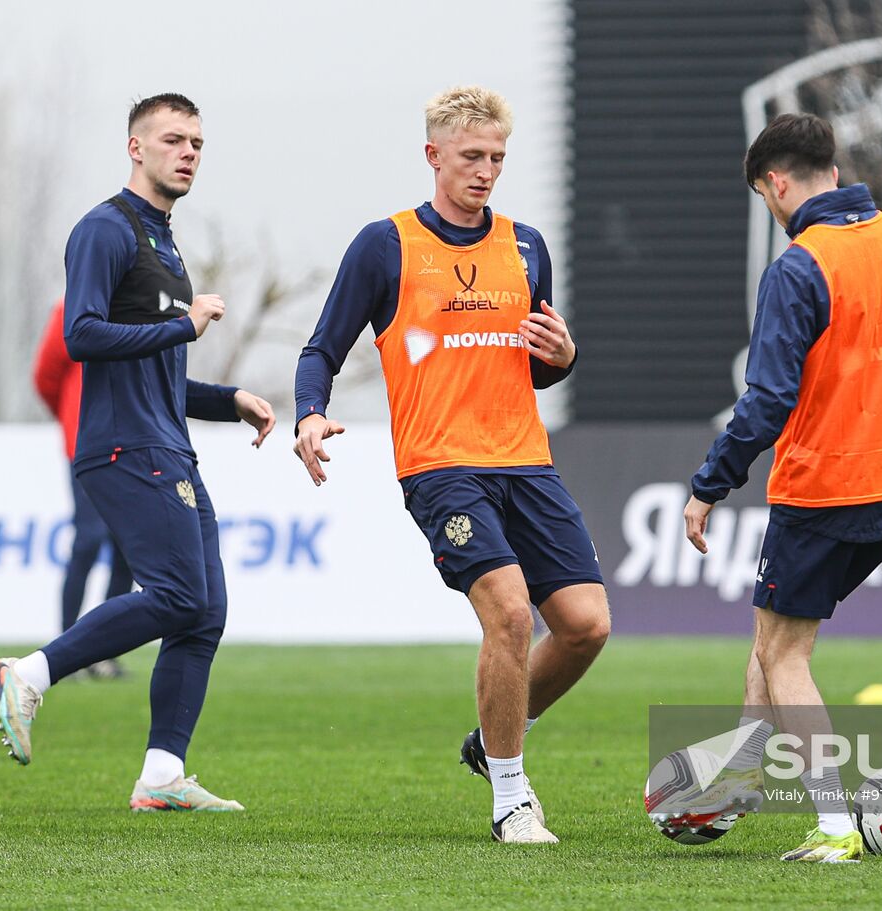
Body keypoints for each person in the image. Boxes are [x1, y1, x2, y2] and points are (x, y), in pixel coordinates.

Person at [293, 86, 609, 844]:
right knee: (507, 611)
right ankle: (511, 795)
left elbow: (537, 366)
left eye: (497, 157)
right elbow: (321, 347)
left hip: (527, 462)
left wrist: (564, 358)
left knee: (586, 626)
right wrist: (308, 413)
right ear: (434, 155)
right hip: (441, 465)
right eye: (472, 156)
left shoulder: (528, 245)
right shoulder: (387, 244)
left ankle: (490, 735)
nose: (486, 171)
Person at [681, 112, 882, 863]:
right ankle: (739, 781)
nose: (772, 209)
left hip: (822, 489)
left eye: (766, 196)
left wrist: (709, 485)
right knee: (771, 635)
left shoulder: (800, 265)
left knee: (785, 652)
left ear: (778, 183)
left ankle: (831, 823)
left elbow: (765, 402)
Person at [0, 94, 276, 810]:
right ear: (135, 148)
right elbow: (81, 335)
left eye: (198, 143)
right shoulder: (105, 230)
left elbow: (161, 376)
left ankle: (161, 775)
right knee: (177, 595)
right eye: (173, 139)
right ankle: (28, 673)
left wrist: (225, 399)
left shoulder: (166, 244)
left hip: (167, 444)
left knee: (203, 612)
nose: (189, 152)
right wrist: (186, 327)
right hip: (121, 447)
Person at [33, 297, 134, 678]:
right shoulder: (69, 308)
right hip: (87, 447)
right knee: (88, 540)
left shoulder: (137, 299)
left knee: (127, 550)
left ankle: (102, 651)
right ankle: (66, 650)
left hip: (132, 446)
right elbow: (45, 376)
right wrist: (72, 418)